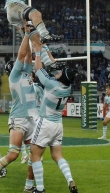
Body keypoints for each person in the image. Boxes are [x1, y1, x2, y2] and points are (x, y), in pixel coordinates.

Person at [0, 23, 39, 193]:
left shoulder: (27, 73)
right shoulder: (14, 75)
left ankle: (28, 187)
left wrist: (28, 34)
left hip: (30, 119)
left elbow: (28, 55)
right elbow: (22, 54)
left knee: (35, 156)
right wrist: (26, 34)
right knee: (14, 154)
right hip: (19, 119)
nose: (20, 63)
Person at [29, 37, 79, 193]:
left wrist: (38, 52)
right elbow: (55, 67)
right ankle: (70, 180)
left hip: (45, 123)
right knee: (58, 156)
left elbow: (38, 70)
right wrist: (46, 49)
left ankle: (40, 188)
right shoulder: (67, 87)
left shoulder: (51, 84)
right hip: (58, 125)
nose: (58, 72)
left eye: (60, 72)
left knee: (34, 155)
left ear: (61, 77)